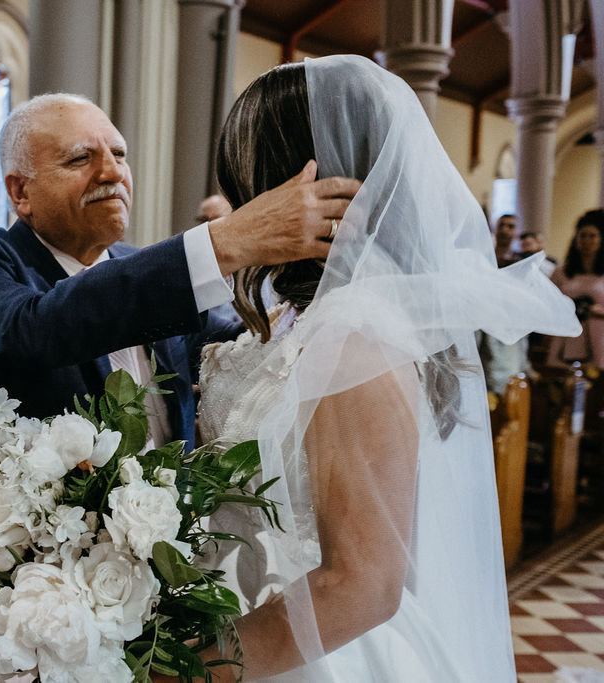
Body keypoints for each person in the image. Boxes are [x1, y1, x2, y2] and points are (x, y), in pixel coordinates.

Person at [189, 56, 579, 682]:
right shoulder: (303, 315)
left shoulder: (354, 335)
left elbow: (361, 583)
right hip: (245, 614)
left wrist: (187, 672)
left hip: (305, 650)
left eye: (246, 168)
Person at [0, 93, 360, 448]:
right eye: (80, 159)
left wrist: (323, 316)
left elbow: (240, 351)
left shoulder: (144, 277)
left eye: (120, 153)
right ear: (20, 191)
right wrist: (227, 240)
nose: (112, 171)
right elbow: (34, 328)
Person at [546, 210, 604, 368]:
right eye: (582, 235)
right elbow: (548, 303)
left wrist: (598, 312)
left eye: (592, 236)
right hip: (566, 340)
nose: (587, 241)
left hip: (598, 340)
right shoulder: (561, 273)